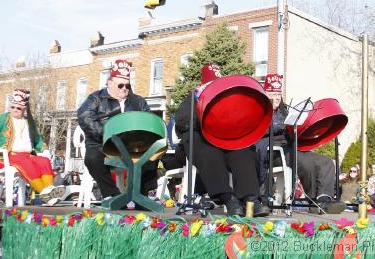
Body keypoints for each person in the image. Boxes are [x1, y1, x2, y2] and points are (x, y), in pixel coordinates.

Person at [174, 63, 269, 217]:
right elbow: (182, 122)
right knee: (207, 151)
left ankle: (251, 199)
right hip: (201, 141)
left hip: (223, 140)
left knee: (242, 150)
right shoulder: (192, 99)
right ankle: (228, 198)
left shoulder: (225, 100)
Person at [255, 74, 344, 214]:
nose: (277, 97)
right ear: (265, 94)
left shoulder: (284, 111)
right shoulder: (259, 111)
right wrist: (282, 126)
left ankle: (324, 198)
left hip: (291, 147)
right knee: (305, 163)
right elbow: (258, 132)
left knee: (325, 162)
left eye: (279, 93)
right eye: (273, 93)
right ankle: (314, 201)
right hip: (272, 151)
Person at [77, 59, 158, 201]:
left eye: (127, 85)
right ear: (109, 82)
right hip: (101, 144)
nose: (124, 88)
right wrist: (107, 134)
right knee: (92, 158)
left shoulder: (138, 101)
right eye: (120, 85)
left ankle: (140, 196)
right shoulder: (96, 98)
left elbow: (148, 120)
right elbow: (84, 116)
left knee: (152, 152)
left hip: (130, 145)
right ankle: (112, 195)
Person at [0, 89, 65, 205]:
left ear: (24, 109)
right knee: (27, 163)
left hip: (27, 155)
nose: (15, 110)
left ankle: (49, 190)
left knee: (44, 161)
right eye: (12, 107)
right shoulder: (2, 119)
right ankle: (45, 194)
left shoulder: (29, 122)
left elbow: (37, 140)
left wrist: (44, 150)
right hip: (7, 156)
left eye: (18, 108)